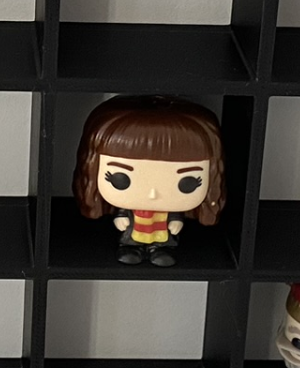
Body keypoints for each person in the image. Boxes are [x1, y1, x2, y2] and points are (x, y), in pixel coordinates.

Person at [72, 96, 225, 267]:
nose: (153, 194)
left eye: (187, 182)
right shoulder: (127, 206)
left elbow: (175, 217)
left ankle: (160, 250)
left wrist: (176, 220)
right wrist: (120, 217)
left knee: (163, 243)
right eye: (120, 179)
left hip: (161, 231)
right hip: (135, 231)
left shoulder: (171, 209)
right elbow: (122, 214)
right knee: (131, 243)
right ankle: (132, 248)